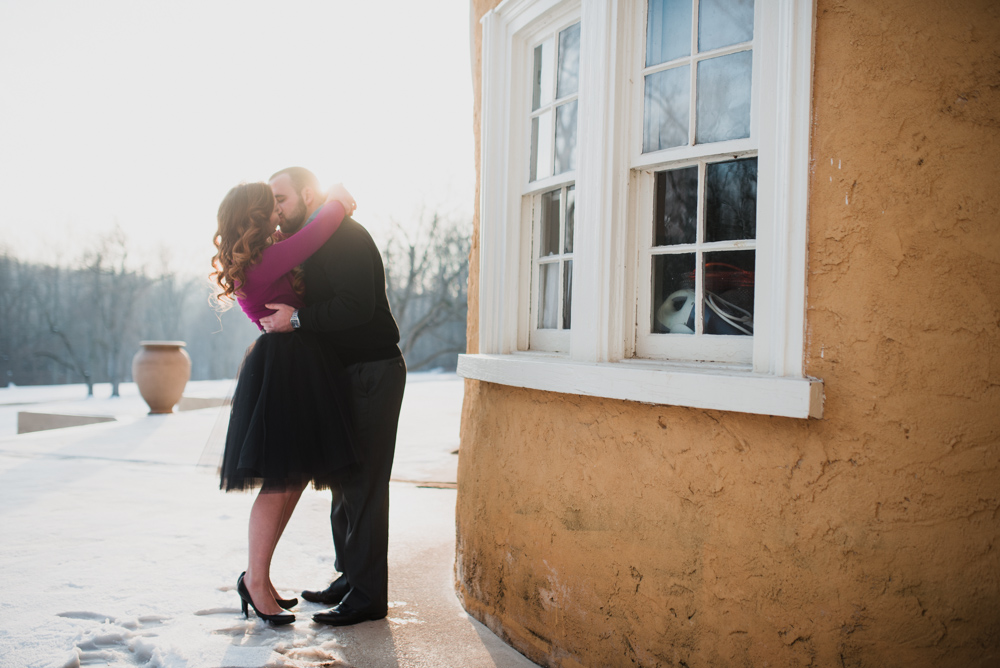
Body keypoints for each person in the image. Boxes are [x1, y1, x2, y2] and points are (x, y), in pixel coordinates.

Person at [259, 166, 405, 627]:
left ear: (307, 194)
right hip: (347, 374)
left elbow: (355, 306)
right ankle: (350, 577)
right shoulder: (315, 238)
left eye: (280, 199)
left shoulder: (343, 236)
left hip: (372, 371)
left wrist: (296, 321)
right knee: (343, 483)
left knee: (363, 485)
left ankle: (367, 597)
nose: (274, 210)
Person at [211, 180, 358, 625]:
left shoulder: (258, 258)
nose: (278, 211)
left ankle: (259, 577)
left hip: (291, 367)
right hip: (285, 373)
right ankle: (254, 581)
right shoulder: (263, 261)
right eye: (269, 206)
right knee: (279, 483)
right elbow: (317, 231)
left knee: (292, 479)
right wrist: (338, 199)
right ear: (255, 216)